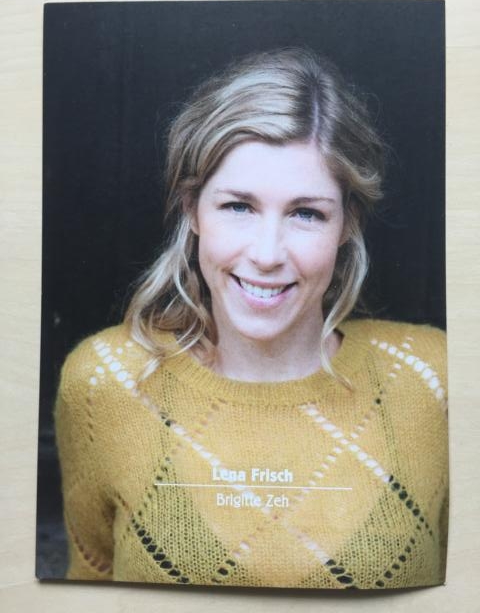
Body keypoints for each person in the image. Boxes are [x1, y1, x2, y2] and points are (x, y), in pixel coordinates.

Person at [55, 48, 448, 589]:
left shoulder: (435, 379)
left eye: (306, 213)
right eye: (238, 206)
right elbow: (90, 583)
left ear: (347, 224)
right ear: (192, 209)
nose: (266, 254)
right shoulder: (104, 381)